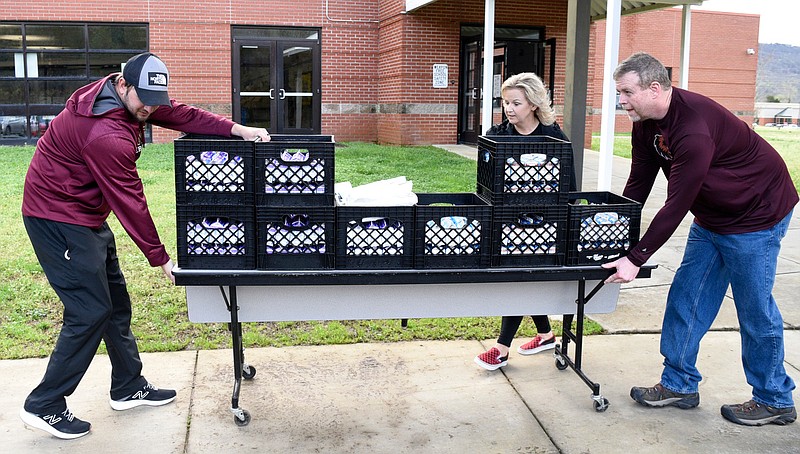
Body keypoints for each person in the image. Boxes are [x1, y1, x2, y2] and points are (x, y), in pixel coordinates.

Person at [19, 52, 270, 439]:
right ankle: (45, 404)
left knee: (115, 303)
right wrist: (162, 258)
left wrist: (237, 129)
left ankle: (127, 386)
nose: (151, 108)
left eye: (157, 98)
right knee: (89, 312)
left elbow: (182, 114)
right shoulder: (105, 134)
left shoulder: (132, 102)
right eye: (145, 98)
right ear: (122, 84)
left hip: (84, 215)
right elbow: (130, 201)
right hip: (56, 218)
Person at [603, 52, 797, 426]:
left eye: (626, 92)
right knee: (687, 297)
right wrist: (614, 231)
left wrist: (636, 257)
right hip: (714, 216)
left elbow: (676, 204)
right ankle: (678, 384)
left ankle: (775, 398)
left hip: (757, 213)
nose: (620, 100)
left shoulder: (692, 127)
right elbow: (639, 184)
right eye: (619, 92)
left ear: (654, 88)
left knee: (754, 308)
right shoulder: (645, 124)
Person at [474, 72, 570, 371]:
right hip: (505, 220)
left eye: (516, 102)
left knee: (519, 277)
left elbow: (569, 185)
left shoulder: (554, 138)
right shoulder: (496, 134)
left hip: (543, 222)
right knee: (521, 277)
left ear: (533, 103)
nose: (509, 109)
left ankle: (502, 348)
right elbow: (484, 182)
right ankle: (545, 334)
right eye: (505, 102)